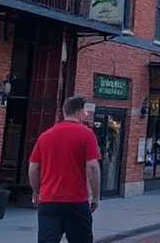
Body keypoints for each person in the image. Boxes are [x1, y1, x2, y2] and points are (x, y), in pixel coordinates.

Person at [28, 96, 101, 243]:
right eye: (85, 112)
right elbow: (93, 167)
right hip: (75, 201)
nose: (86, 115)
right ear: (79, 112)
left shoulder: (45, 136)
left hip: (48, 200)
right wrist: (95, 197)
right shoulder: (86, 134)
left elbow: (33, 168)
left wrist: (37, 192)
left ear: (64, 112)